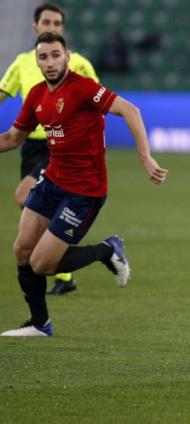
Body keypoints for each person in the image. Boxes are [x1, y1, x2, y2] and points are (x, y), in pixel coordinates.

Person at [0, 32, 167, 337]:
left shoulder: (83, 89)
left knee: (42, 264)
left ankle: (107, 250)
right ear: (37, 60)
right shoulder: (37, 94)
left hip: (83, 192)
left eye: (55, 55)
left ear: (67, 56)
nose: (49, 62)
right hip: (51, 181)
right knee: (22, 250)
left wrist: (146, 158)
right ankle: (40, 324)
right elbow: (13, 138)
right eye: (43, 57)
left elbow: (130, 110)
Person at [0, 2, 99, 295]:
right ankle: (63, 272)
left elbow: (97, 101)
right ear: (35, 26)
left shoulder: (78, 63)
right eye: (47, 22)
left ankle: (61, 261)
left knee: (24, 198)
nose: (52, 28)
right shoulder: (21, 63)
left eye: (57, 24)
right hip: (29, 146)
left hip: (59, 147)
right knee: (32, 209)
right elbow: (3, 93)